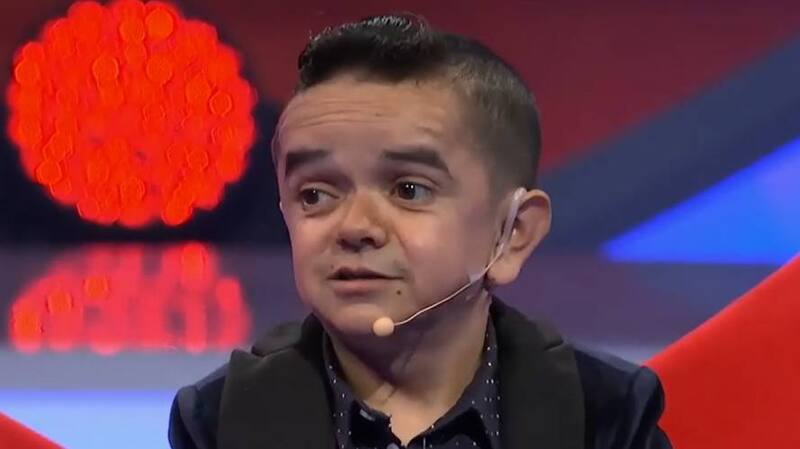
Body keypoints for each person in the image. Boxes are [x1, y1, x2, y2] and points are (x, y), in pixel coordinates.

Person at [168, 14, 671, 449]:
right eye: (315, 195)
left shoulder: (603, 413)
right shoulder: (223, 417)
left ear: (514, 232)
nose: (355, 227)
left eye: (408, 190)